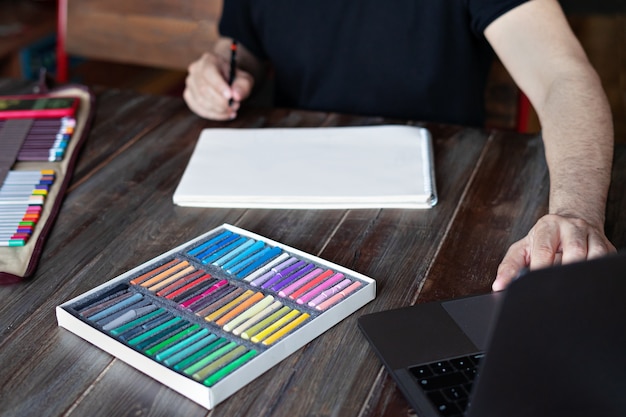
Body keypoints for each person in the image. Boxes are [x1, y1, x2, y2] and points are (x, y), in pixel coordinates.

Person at [183, 0, 616, 290]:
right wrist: (221, 68)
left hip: (439, 219)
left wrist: (576, 213)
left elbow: (562, 75)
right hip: (278, 207)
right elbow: (242, 45)